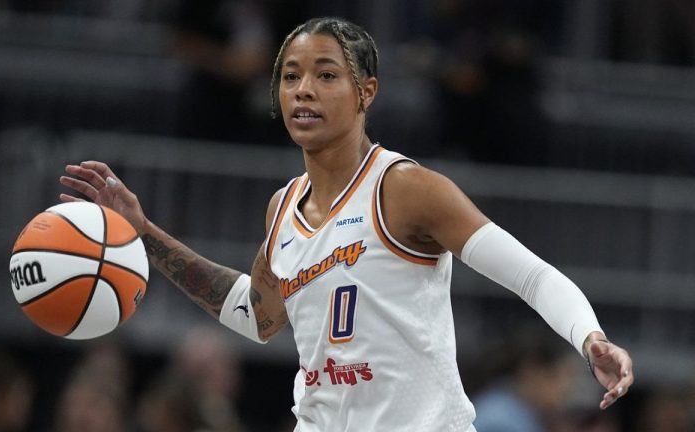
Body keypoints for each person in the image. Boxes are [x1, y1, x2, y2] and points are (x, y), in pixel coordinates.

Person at [59, 17, 634, 432]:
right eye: (289, 76)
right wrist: (144, 231)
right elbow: (257, 316)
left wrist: (590, 338)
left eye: (325, 75)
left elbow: (531, 277)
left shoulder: (406, 190)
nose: (302, 89)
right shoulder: (283, 207)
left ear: (366, 92)